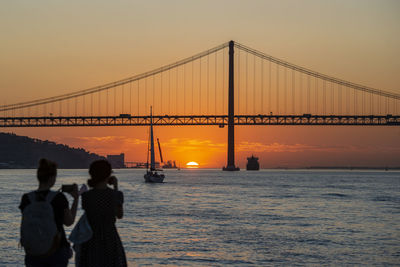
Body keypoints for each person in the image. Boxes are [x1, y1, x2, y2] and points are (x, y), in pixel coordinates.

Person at [19, 158, 79, 267]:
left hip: (32, 252)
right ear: (52, 177)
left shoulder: (26, 199)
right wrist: (75, 199)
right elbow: (69, 222)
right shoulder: (58, 198)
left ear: (39, 177)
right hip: (56, 251)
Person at [78, 160, 127, 267]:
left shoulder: (86, 197)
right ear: (109, 175)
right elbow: (119, 215)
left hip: (91, 240)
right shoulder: (116, 195)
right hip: (110, 238)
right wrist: (116, 187)